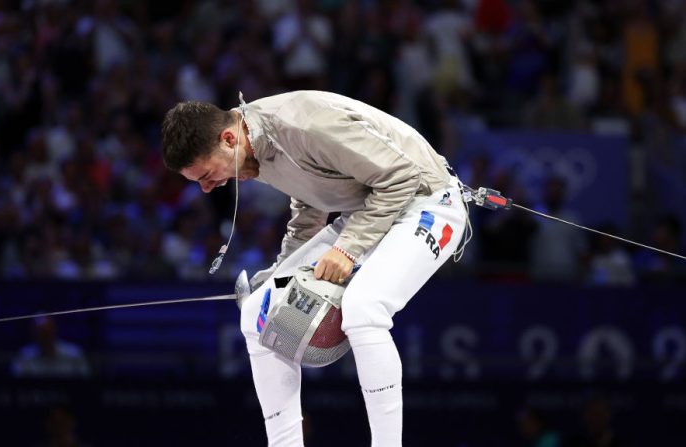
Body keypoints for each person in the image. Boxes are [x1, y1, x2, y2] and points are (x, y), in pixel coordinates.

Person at [161, 90, 469, 446]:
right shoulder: (251, 149)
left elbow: (402, 177)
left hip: (427, 201)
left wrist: (347, 249)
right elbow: (310, 198)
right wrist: (281, 272)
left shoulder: (302, 125)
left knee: (363, 308)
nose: (206, 188)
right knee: (257, 314)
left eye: (207, 174)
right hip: (369, 209)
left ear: (228, 138)